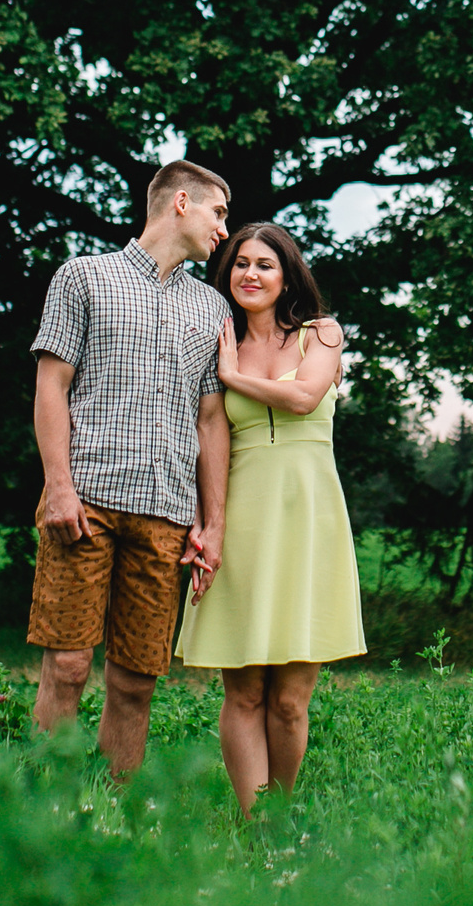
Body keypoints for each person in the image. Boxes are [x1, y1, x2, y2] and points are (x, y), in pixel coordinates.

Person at [27, 160, 233, 778]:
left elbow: (212, 422)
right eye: (218, 213)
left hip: (166, 514)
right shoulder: (84, 277)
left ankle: (111, 815)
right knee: (67, 667)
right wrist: (58, 487)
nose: (225, 229)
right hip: (84, 502)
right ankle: (41, 810)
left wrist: (212, 523)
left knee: (137, 682)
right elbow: (50, 387)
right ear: (179, 202)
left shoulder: (212, 308)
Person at [175, 221, 367, 812]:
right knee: (244, 689)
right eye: (239, 263)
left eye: (263, 264)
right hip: (246, 515)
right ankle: (253, 822)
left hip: (310, 519)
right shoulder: (216, 338)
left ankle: (280, 815)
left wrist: (234, 377)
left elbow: (306, 396)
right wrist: (211, 525)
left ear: (287, 275)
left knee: (290, 699)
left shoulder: (323, 334)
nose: (249, 275)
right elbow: (212, 435)